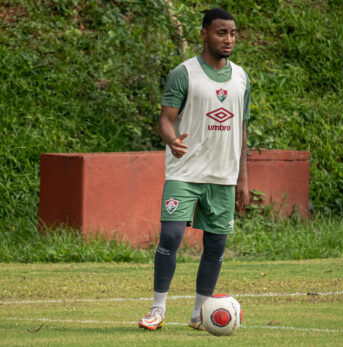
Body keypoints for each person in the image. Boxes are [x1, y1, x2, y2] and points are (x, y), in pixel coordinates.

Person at [138, 8, 250, 331]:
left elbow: (242, 129)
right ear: (204, 34)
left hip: (223, 176)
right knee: (171, 236)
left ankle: (200, 312)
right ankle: (158, 308)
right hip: (184, 172)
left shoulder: (241, 77)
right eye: (220, 33)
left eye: (232, 33)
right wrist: (172, 140)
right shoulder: (183, 73)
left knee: (216, 246)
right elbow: (165, 119)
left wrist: (242, 177)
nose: (228, 39)